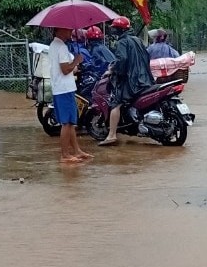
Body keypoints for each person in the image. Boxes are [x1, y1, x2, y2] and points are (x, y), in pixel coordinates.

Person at [100, 16, 154, 146]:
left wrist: (113, 70)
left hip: (132, 81)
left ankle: (112, 135)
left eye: (114, 29)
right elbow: (147, 57)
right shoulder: (137, 40)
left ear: (118, 30)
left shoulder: (122, 42)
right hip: (146, 79)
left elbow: (122, 60)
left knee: (116, 103)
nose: (113, 31)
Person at [48, 27, 92, 163]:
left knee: (71, 123)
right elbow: (65, 69)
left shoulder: (54, 45)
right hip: (64, 89)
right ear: (58, 30)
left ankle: (77, 150)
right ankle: (65, 155)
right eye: (67, 30)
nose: (70, 32)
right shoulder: (60, 47)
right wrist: (76, 61)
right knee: (67, 123)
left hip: (62, 88)